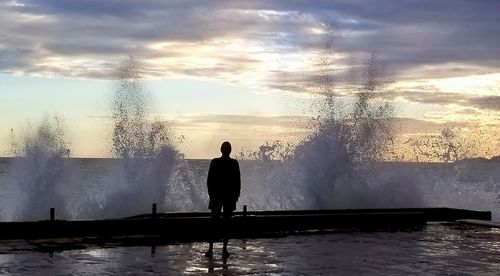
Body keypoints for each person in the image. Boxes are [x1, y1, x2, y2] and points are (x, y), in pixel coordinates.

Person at [205, 141, 241, 258]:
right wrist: (212, 195)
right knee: (217, 224)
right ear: (222, 150)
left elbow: (237, 182)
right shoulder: (217, 162)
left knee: (222, 224)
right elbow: (210, 181)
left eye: (227, 148)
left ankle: (221, 249)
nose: (226, 150)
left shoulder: (228, 163)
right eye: (225, 148)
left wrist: (235, 197)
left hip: (226, 198)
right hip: (219, 197)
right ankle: (213, 249)